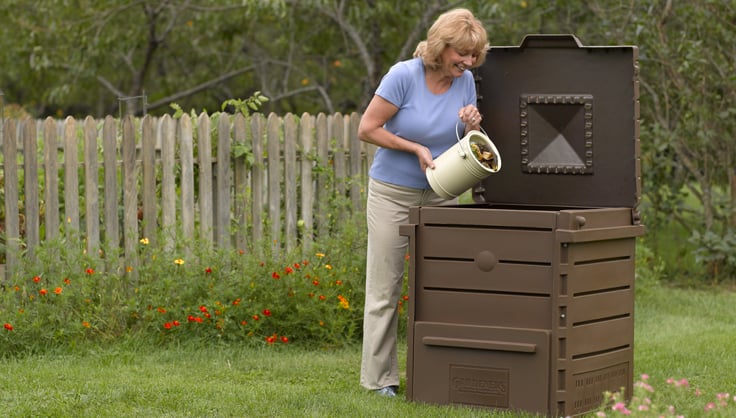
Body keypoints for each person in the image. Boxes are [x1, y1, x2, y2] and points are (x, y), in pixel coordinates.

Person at [357, 8, 489, 397]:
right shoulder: (403, 76)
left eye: (473, 56)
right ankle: (380, 381)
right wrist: (414, 146)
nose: (467, 63)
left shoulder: (464, 82)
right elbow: (367, 129)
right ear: (440, 46)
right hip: (392, 193)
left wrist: (472, 123)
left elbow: (467, 138)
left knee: (442, 286)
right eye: (461, 54)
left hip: (443, 192)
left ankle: (437, 375)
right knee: (385, 289)